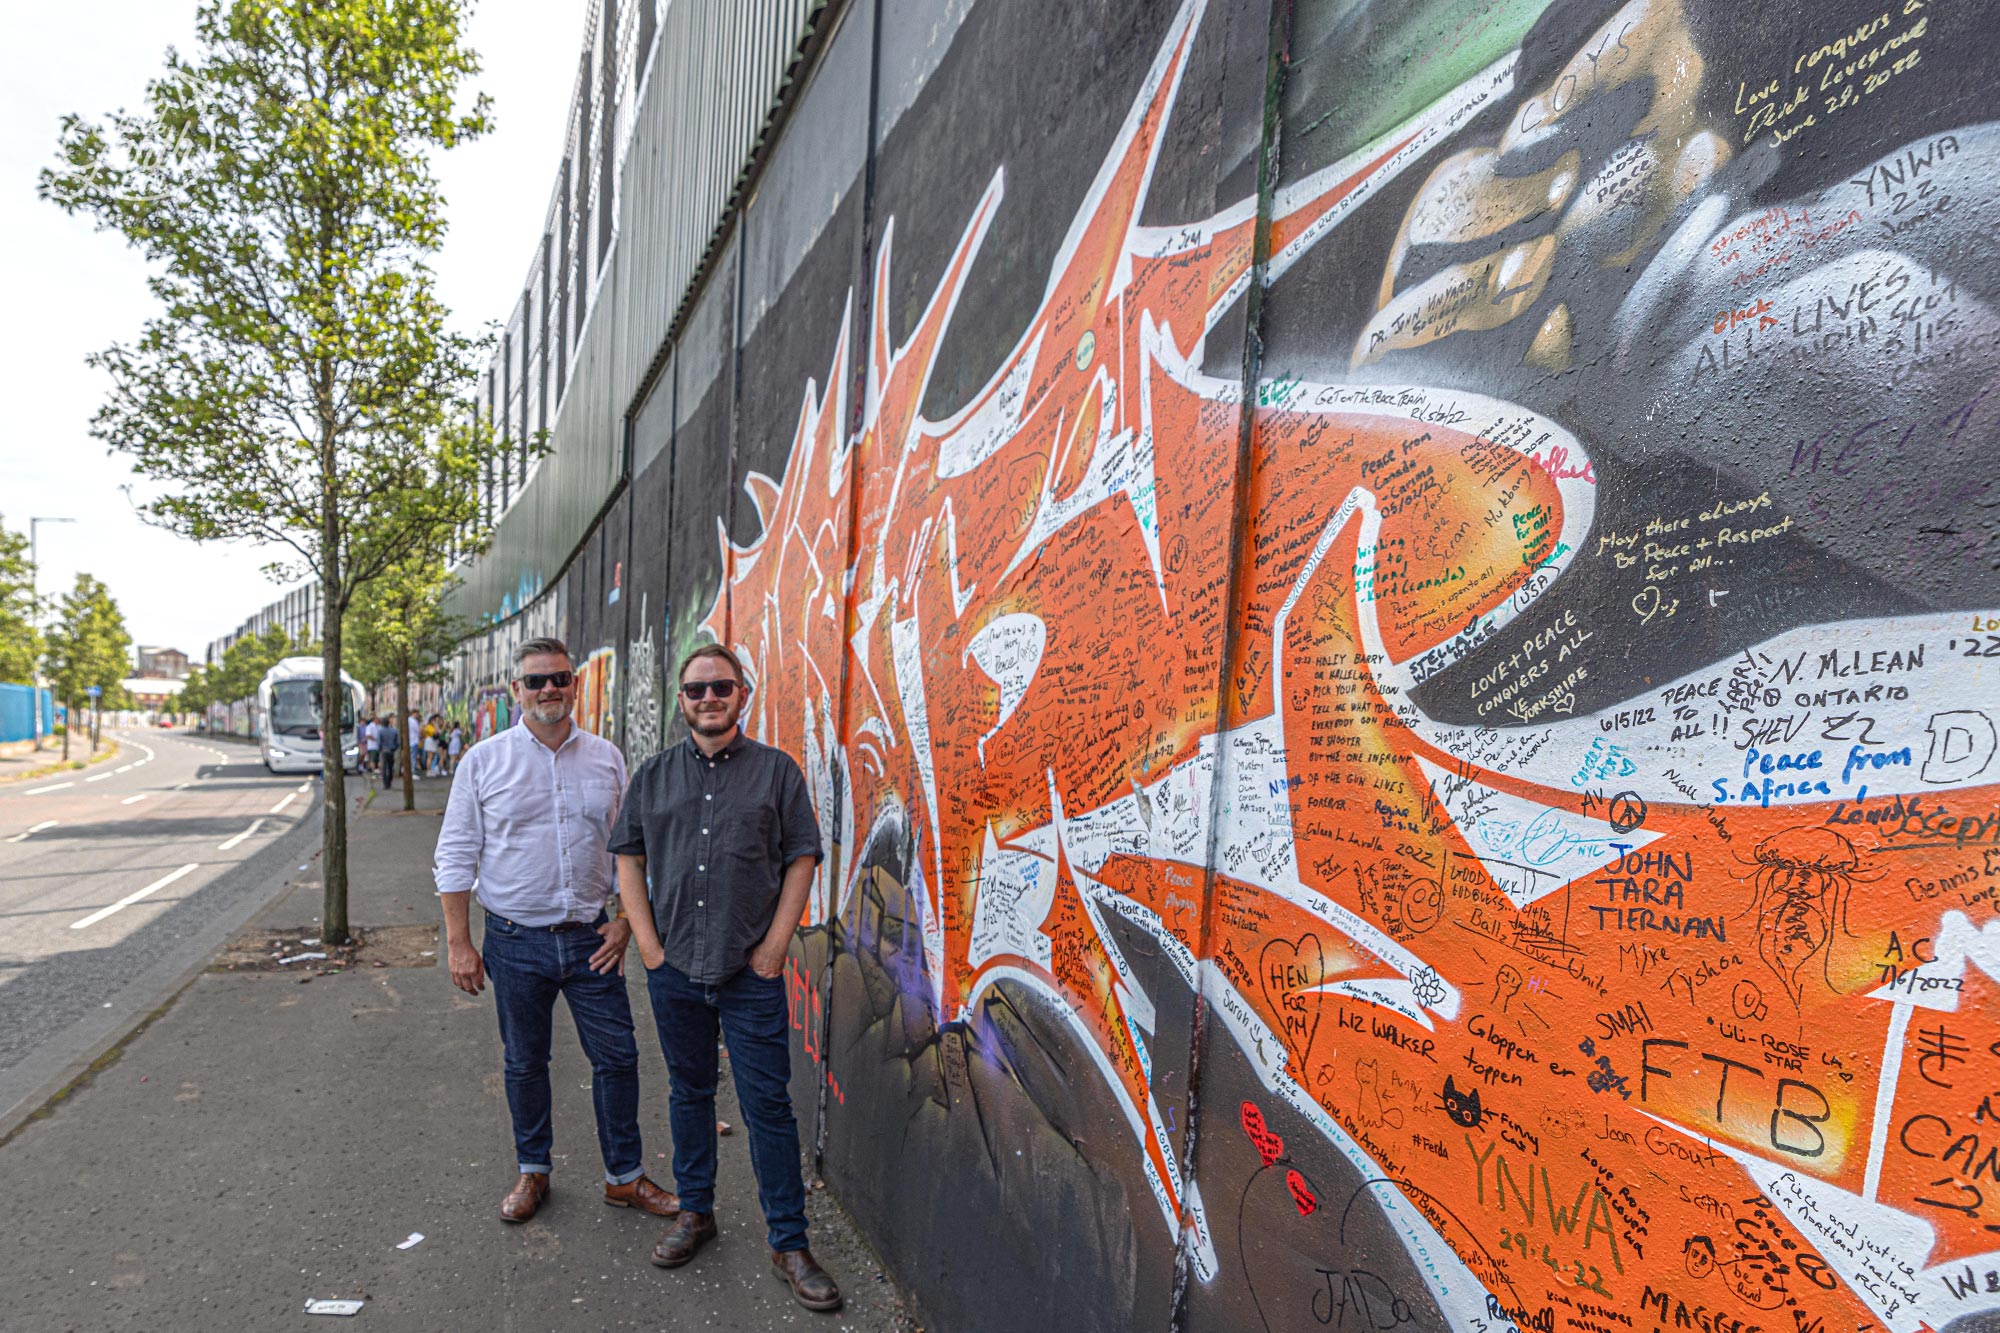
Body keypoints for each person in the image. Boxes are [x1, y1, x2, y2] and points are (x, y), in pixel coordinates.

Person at [610, 644, 841, 1312]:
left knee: (766, 1104)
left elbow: (802, 857)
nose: (708, 699)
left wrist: (774, 948)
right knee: (689, 1093)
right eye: (696, 690)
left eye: (721, 688)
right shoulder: (652, 776)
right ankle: (696, 1212)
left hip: (749, 970)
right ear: (681, 699)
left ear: (744, 693)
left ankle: (789, 1242)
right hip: (674, 968)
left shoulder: (777, 773)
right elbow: (628, 857)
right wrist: (649, 947)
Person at [435, 637, 678, 1224]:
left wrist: (624, 921)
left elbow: (630, 849)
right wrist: (460, 943)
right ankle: (532, 1171)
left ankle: (624, 1177)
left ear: (575, 685)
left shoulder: (607, 758)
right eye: (536, 680)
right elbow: (455, 854)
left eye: (560, 678)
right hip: (515, 942)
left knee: (618, 1058)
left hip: (592, 940)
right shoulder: (483, 761)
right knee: (524, 1062)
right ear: (516, 690)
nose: (550, 689)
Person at [378, 713, 401, 788]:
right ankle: (390, 780)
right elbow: (398, 742)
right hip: (391, 751)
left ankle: (385, 783)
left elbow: (379, 742)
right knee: (390, 767)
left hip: (384, 751)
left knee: (384, 768)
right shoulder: (394, 731)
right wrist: (395, 748)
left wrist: (380, 749)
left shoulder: (380, 731)